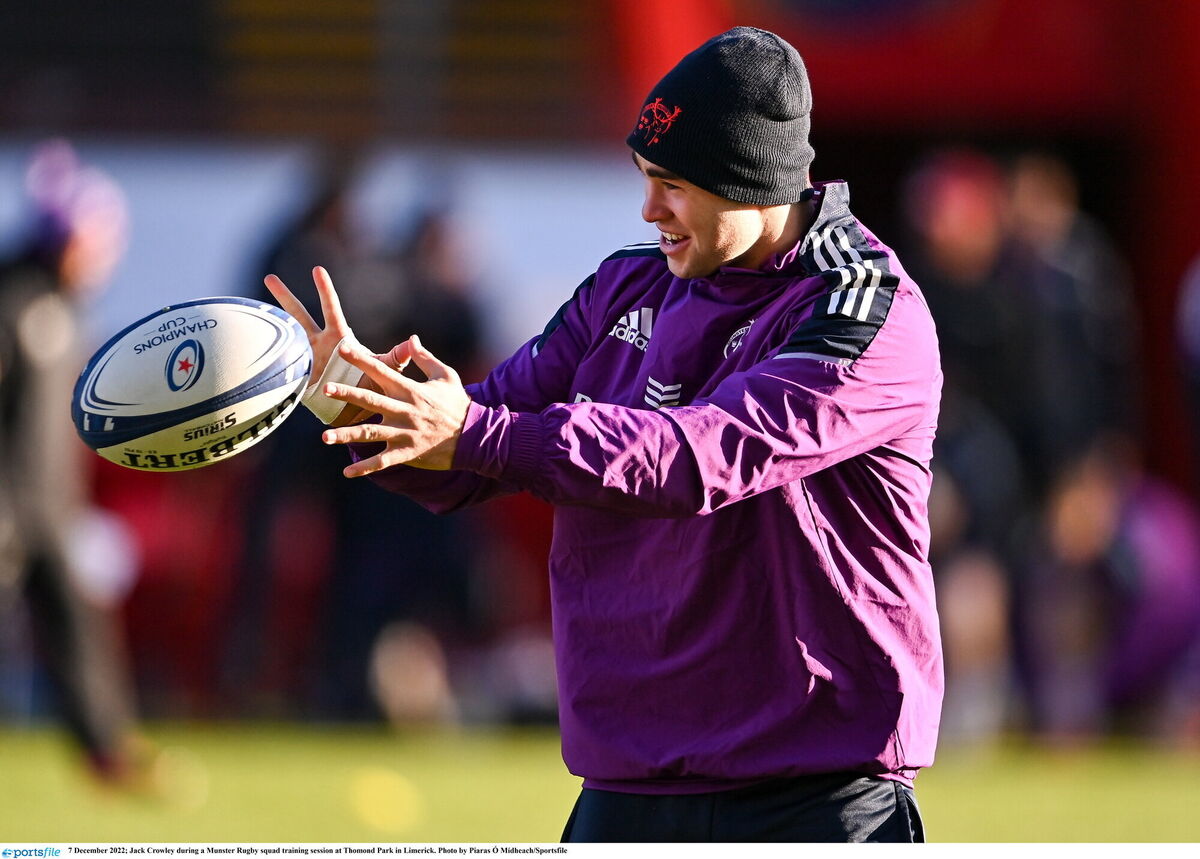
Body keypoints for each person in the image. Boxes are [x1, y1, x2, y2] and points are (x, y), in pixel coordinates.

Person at [267, 27, 942, 842]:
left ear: (752, 182)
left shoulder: (866, 307)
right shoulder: (624, 286)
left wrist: (477, 431)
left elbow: (703, 456)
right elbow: (469, 454)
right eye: (645, 179)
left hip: (813, 787)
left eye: (674, 185)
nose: (649, 208)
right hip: (630, 780)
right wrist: (340, 398)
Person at [0, 140, 150, 786]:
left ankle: (107, 749)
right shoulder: (14, 300)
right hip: (6, 502)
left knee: (77, 625)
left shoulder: (65, 308)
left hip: (51, 505)